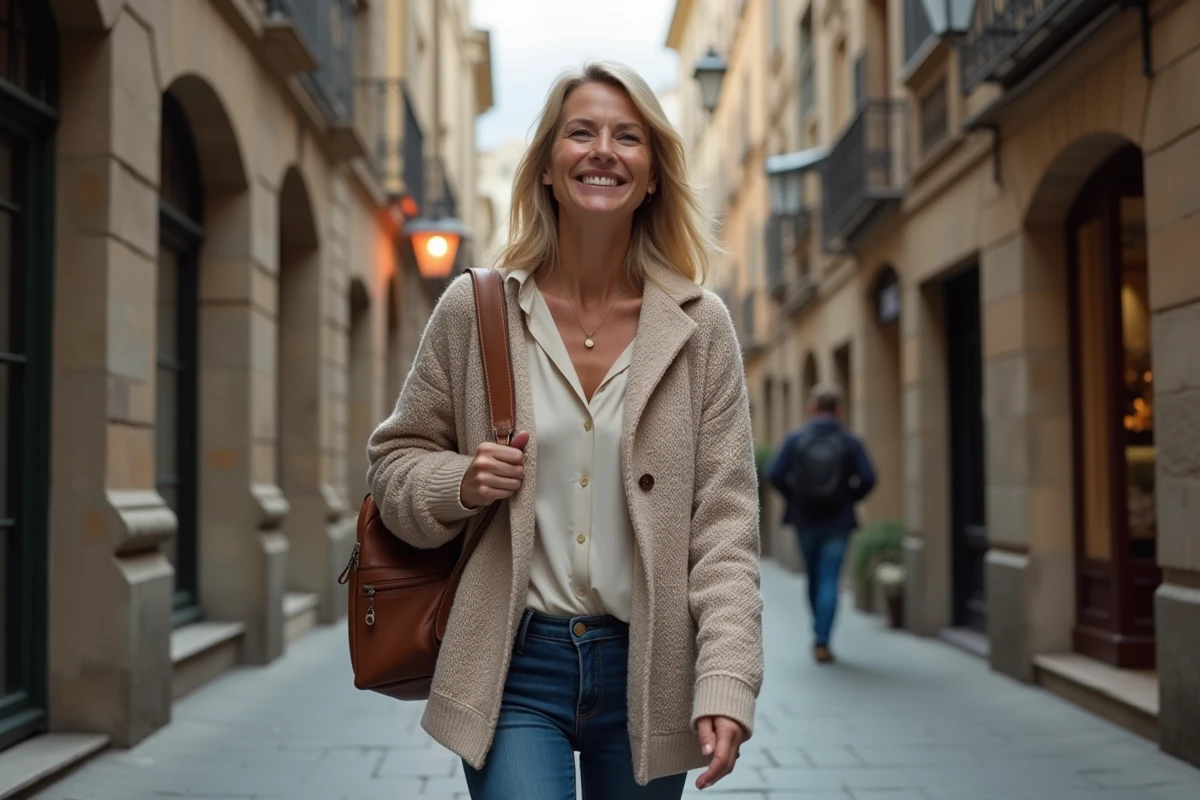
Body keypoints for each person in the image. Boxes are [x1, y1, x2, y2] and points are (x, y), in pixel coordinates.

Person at [366, 61, 763, 800]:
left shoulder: (699, 328)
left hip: (650, 666)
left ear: (652, 177)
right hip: (510, 666)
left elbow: (727, 526)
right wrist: (459, 481)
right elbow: (392, 463)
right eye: (581, 133)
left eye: (628, 137)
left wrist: (727, 677)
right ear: (548, 166)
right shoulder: (474, 310)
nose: (603, 150)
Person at [766, 382, 876, 664]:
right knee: (830, 578)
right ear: (839, 410)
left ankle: (819, 632)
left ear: (812, 408)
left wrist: (795, 497)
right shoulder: (850, 442)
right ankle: (822, 640)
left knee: (814, 577)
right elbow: (869, 478)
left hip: (805, 520)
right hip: (838, 521)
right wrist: (849, 498)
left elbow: (774, 473)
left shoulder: (795, 439)